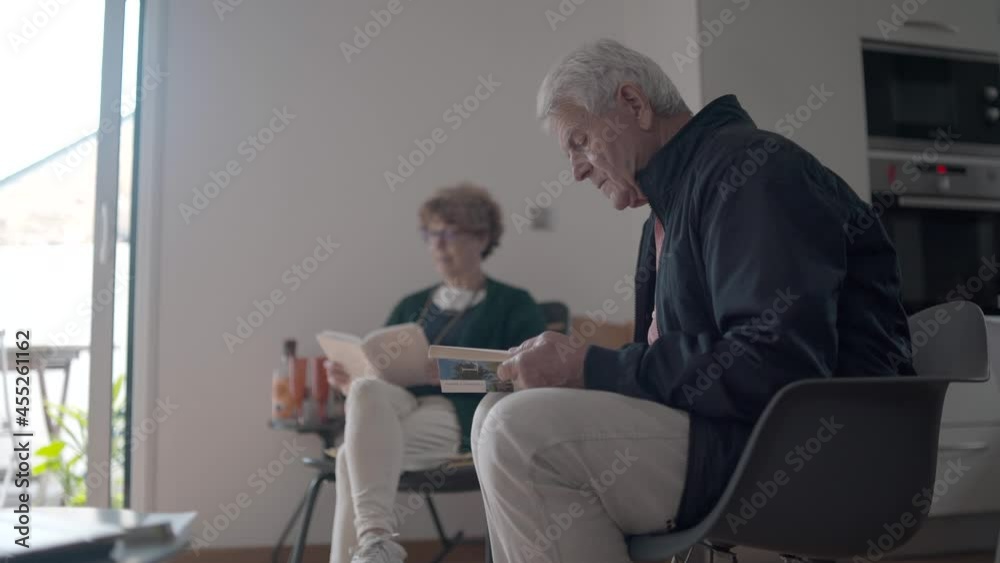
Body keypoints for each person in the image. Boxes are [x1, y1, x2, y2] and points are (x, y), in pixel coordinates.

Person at [471, 39, 915, 563]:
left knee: (520, 433)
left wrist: (589, 366)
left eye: (580, 141)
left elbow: (775, 364)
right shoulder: (667, 209)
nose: (576, 171)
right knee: (495, 409)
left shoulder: (752, 171)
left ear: (633, 104)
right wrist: (582, 372)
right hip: (730, 435)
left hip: (811, 450)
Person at [327, 183, 547, 563]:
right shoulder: (411, 305)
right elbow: (377, 374)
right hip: (398, 408)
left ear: (482, 238)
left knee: (350, 454)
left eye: (450, 233)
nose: (438, 245)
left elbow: (528, 375)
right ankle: (376, 544)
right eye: (431, 234)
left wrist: (450, 372)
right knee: (364, 390)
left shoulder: (513, 304)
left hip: (461, 415)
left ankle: (375, 543)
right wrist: (351, 381)